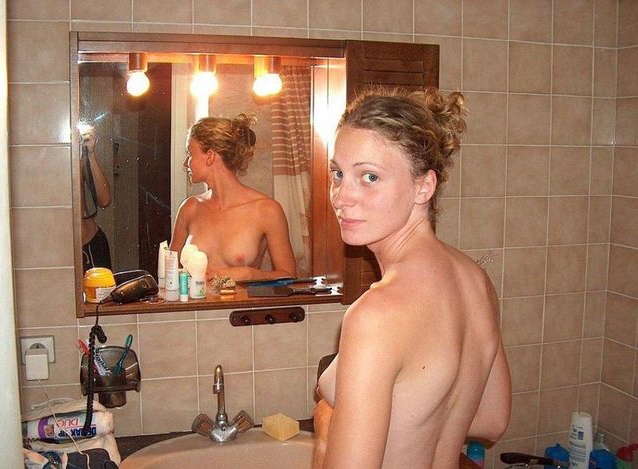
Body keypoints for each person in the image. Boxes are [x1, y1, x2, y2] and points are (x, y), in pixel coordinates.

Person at [313, 88, 511, 468]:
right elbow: (492, 419)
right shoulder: (475, 279)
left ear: (424, 187)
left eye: (369, 177)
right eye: (338, 173)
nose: (341, 197)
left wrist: (328, 422)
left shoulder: (377, 315)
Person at [169, 114, 297, 281]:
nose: (186, 163)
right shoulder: (189, 208)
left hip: (241, 299)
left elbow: (289, 276)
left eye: (190, 153)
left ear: (210, 156)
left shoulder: (266, 210)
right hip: (198, 299)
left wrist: (250, 274)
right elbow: (170, 273)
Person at [80, 124, 112, 272]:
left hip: (91, 241)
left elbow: (104, 200)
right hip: (60, 247)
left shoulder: (79, 157)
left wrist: (90, 154)